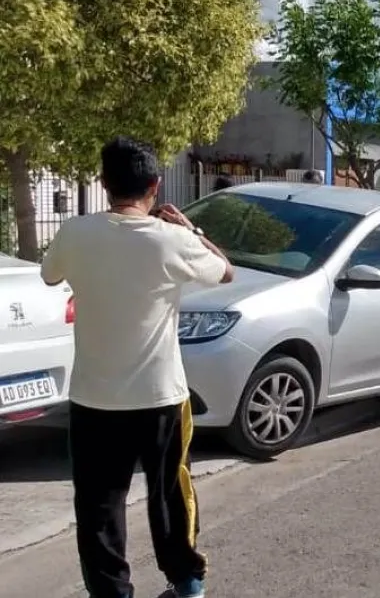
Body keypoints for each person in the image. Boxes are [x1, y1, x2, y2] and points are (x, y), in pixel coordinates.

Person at [40, 137, 234, 598]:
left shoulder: (76, 233)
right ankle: (187, 582)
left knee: (99, 506)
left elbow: (50, 274)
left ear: (104, 184)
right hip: (161, 397)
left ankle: (111, 593)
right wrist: (191, 229)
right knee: (169, 495)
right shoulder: (173, 240)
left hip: (94, 399)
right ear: (156, 184)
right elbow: (226, 271)